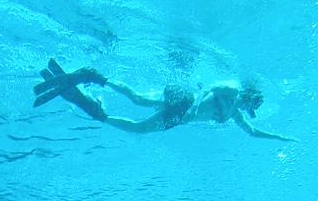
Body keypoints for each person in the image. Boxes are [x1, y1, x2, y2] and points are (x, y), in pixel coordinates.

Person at [33, 58, 295, 141]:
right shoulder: (233, 90)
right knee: (139, 115)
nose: (253, 110)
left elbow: (252, 132)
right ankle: (95, 89)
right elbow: (210, 88)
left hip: (181, 114)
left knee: (139, 113)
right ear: (251, 97)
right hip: (185, 100)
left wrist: (281, 138)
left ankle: (97, 102)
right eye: (255, 105)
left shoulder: (235, 112)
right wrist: (194, 105)